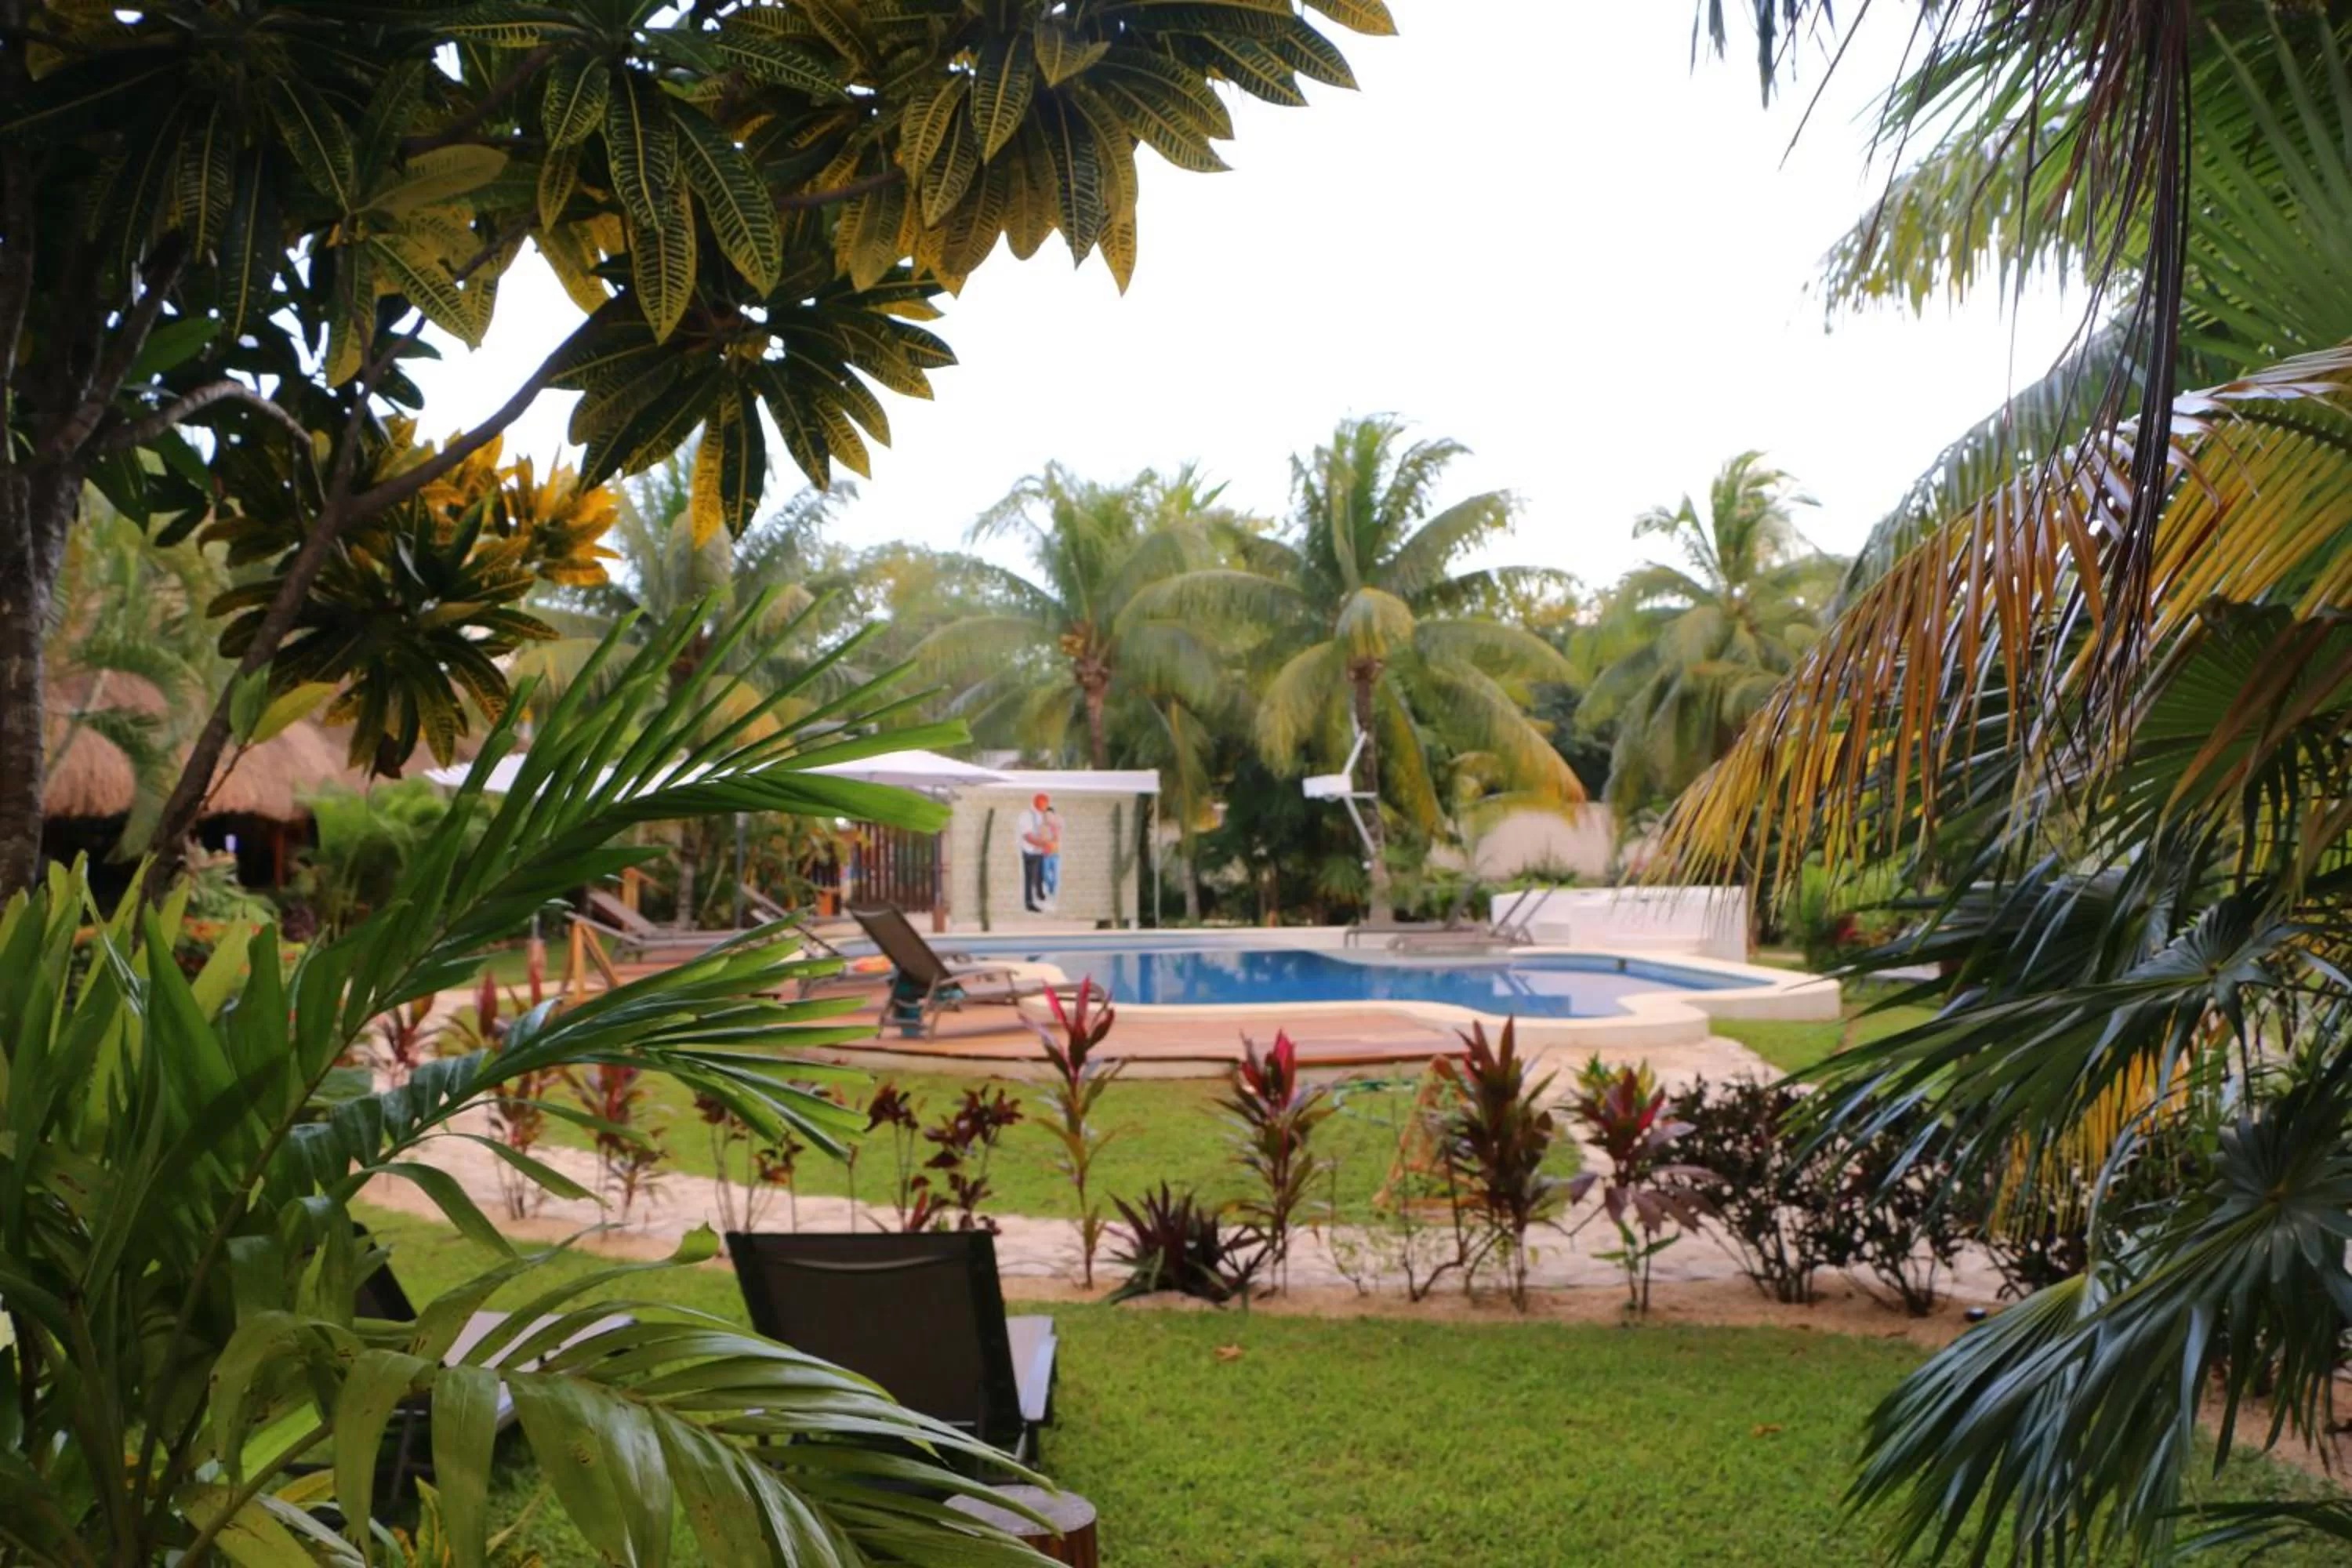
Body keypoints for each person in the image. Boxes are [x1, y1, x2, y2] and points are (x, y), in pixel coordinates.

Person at [1018, 792, 1053, 913]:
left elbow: (1044, 832)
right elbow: (1028, 836)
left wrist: (1045, 846)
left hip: (1039, 852)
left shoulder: (1041, 815)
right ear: (1038, 802)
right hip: (1030, 852)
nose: (1046, 806)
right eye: (1044, 803)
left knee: (1039, 878)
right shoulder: (1027, 816)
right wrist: (1043, 844)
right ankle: (1030, 903)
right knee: (1030, 879)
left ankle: (1039, 897)